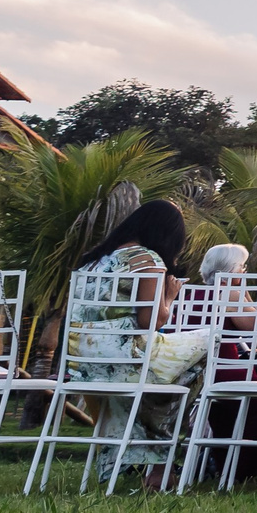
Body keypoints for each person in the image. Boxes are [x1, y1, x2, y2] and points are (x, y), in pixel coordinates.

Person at [65, 200, 191, 487]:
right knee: (208, 348)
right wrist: (170, 296)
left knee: (167, 381)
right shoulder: (148, 260)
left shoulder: (94, 260)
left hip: (83, 364)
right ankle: (160, 463)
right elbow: (151, 321)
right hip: (126, 359)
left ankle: (136, 459)